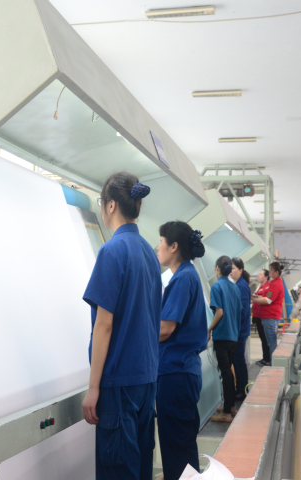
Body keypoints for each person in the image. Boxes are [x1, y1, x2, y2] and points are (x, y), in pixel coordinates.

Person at [82, 172, 162, 480]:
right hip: (145, 380)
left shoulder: (112, 251)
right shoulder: (149, 254)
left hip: (117, 386)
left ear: (111, 205)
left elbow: (104, 325)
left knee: (117, 471)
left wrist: (93, 388)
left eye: (101, 203)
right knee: (138, 470)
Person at [155, 221, 208, 480]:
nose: (158, 247)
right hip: (181, 372)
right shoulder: (187, 274)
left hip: (176, 374)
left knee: (177, 452)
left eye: (161, 241)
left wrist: (135, 335)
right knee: (180, 447)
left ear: (173, 246)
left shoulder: (183, 278)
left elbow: (165, 329)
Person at [208, 255, 242, 423]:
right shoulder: (235, 287)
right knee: (229, 371)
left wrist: (209, 328)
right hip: (234, 336)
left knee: (226, 374)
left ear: (217, 268)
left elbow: (219, 312)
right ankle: (231, 406)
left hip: (222, 336)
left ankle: (227, 413)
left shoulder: (216, 286)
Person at [252, 262, 285, 361]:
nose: (269, 272)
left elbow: (267, 300)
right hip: (268, 317)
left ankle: (273, 363)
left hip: (271, 316)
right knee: (269, 342)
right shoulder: (273, 283)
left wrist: (253, 298)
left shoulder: (276, 284)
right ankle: (271, 362)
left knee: (271, 342)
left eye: (271, 270)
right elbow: (265, 296)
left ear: (276, 272)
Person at [231, 257, 251, 400]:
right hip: (238, 329)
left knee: (239, 360)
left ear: (240, 270)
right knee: (237, 360)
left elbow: (243, 311)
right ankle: (240, 388)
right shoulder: (239, 284)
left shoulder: (242, 286)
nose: (231, 271)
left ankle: (243, 390)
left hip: (240, 330)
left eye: (233, 268)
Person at [253, 269, 271, 366]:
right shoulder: (261, 287)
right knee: (262, 339)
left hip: (262, 318)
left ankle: (267, 359)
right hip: (258, 316)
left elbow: (266, 302)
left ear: (266, 277)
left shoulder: (267, 287)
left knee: (265, 339)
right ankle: (265, 358)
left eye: (261, 275)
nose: (259, 276)